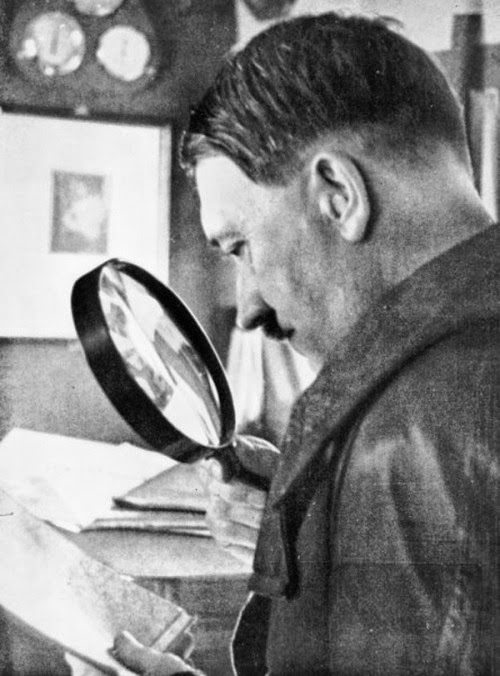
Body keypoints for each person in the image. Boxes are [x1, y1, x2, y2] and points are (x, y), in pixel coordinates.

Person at [113, 11, 500, 675]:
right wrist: (322, 518)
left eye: (241, 245)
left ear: (339, 196)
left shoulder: (417, 432)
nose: (248, 310)